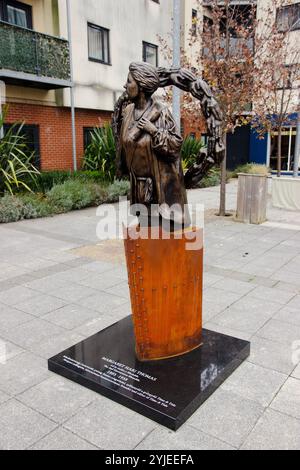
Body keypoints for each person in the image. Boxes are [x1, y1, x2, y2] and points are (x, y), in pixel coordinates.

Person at [117, 61, 190, 230]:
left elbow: (175, 146)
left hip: (162, 191)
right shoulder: (128, 112)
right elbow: (124, 144)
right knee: (145, 236)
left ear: (141, 85)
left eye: (129, 81)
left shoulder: (161, 112)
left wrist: (154, 131)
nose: (125, 85)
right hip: (139, 189)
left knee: (164, 238)